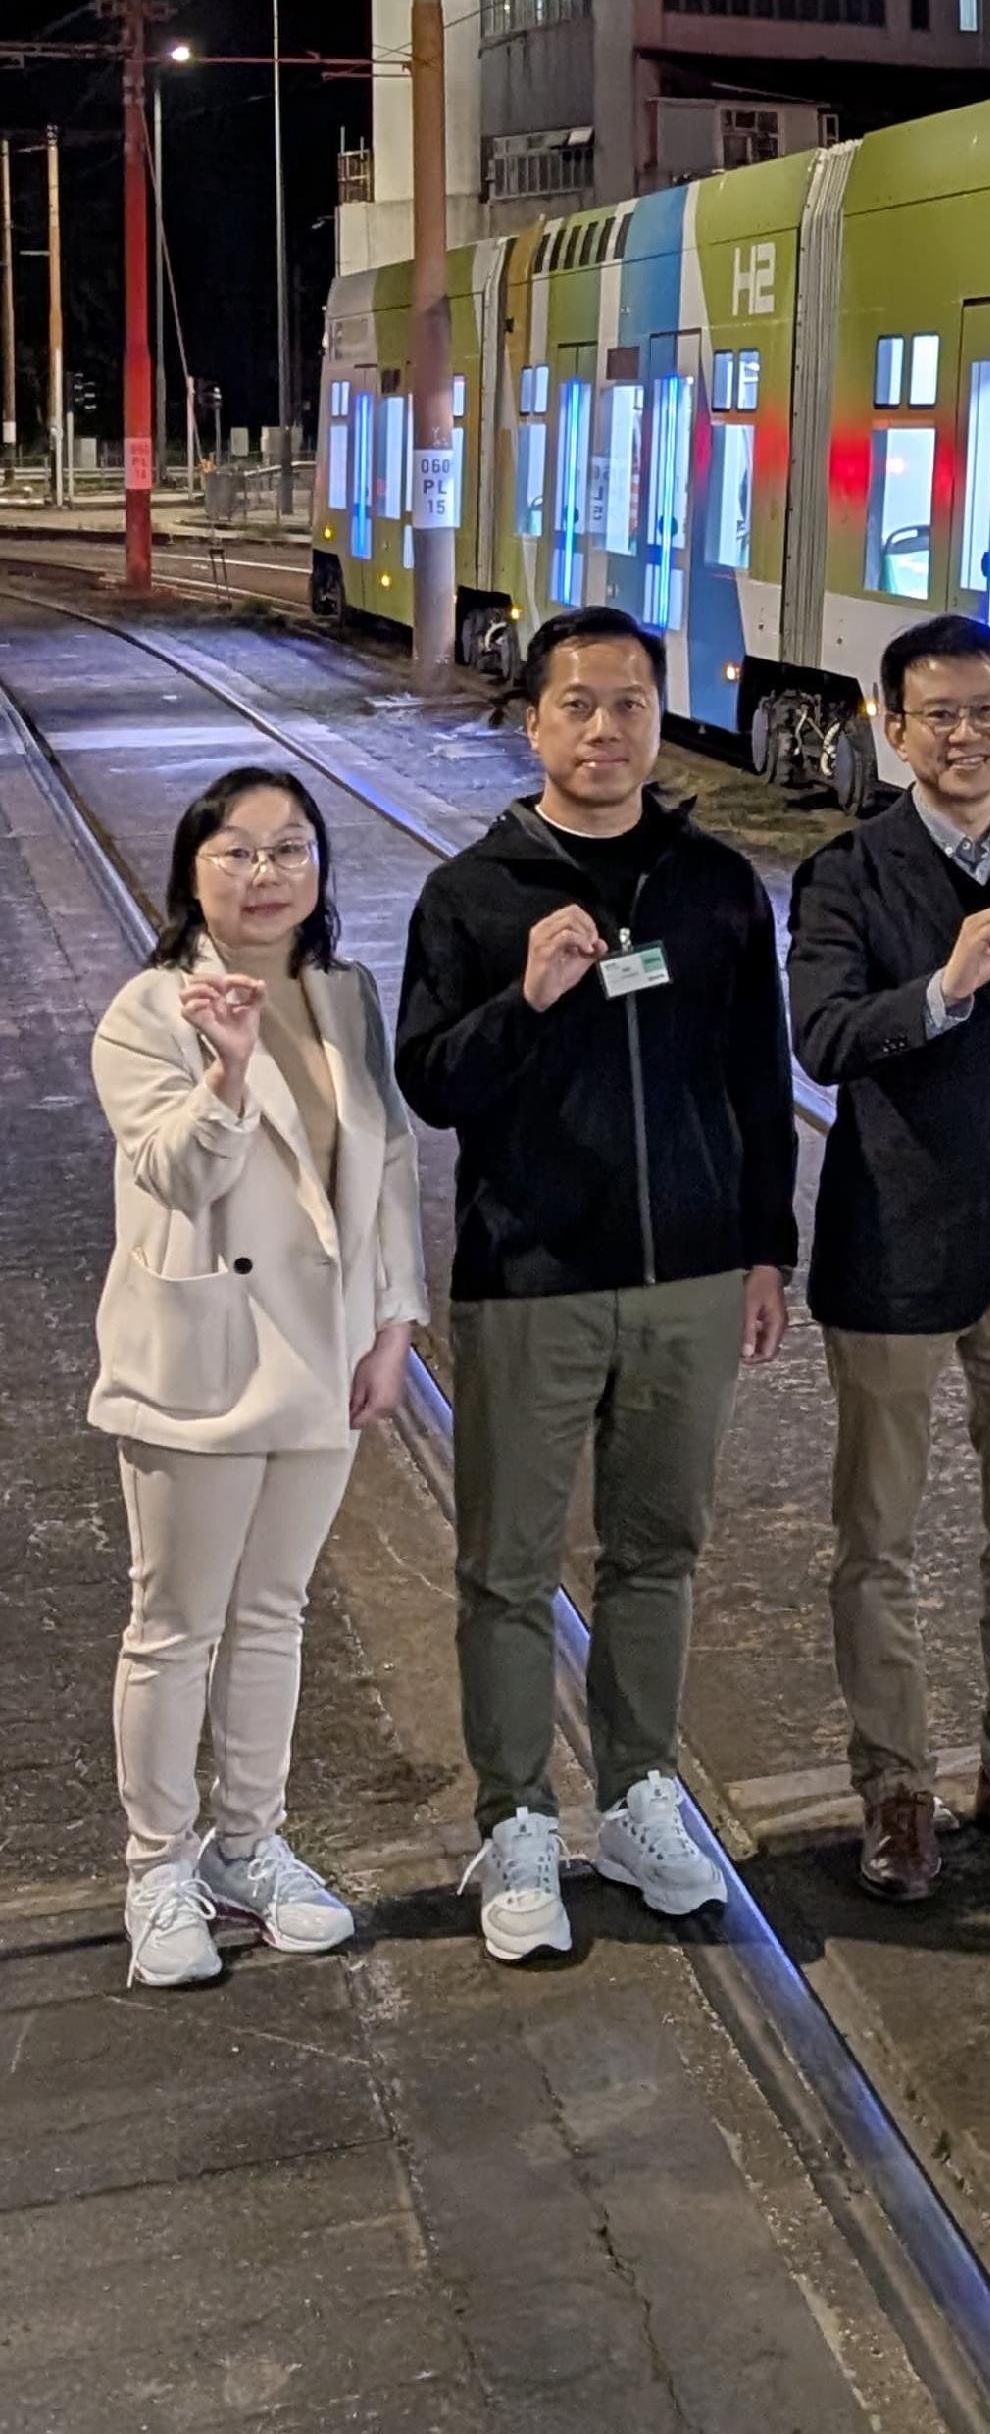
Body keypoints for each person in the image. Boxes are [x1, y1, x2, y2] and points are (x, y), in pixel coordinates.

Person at [398, 605, 797, 1965]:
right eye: (579, 704)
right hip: (530, 1282)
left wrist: (764, 1251)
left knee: (656, 1556)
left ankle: (636, 1796)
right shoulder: (472, 893)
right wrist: (530, 995)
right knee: (507, 1571)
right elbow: (433, 1085)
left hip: (690, 1279)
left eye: (631, 702)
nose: (607, 729)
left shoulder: (718, 886)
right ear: (533, 722)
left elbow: (759, 1081)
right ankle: (517, 1818)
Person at [788, 613, 990, 1906]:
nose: (965, 735)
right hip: (893, 1249)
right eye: (938, 715)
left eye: (987, 710)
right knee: (876, 1535)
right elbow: (821, 1035)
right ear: (892, 726)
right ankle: (895, 1788)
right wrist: (940, 989)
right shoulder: (847, 873)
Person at [90, 770, 428, 1989]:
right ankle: (157, 1865)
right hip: (201, 1356)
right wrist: (228, 1071)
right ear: (193, 867)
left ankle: (250, 1841)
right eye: (237, 851)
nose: (266, 872)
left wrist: (394, 1323)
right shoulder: (147, 1009)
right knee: (175, 1625)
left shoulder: (344, 995)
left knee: (275, 1613)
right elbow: (178, 1175)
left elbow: (383, 1169)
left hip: (322, 1355)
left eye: (292, 848)